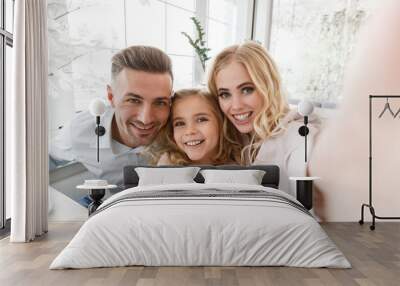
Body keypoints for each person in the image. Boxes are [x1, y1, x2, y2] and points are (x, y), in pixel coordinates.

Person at [49, 45, 174, 188]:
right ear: (111, 96)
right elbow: (45, 159)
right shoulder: (79, 131)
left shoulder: (182, 127)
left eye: (160, 102)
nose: (146, 119)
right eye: (133, 100)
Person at [208, 41, 321, 196]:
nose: (236, 106)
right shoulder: (237, 141)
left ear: (269, 86)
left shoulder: (298, 136)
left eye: (247, 90)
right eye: (224, 94)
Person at [146, 88, 241, 165]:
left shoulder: (240, 163)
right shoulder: (168, 166)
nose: (190, 131)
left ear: (221, 123)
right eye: (180, 123)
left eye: (201, 120)